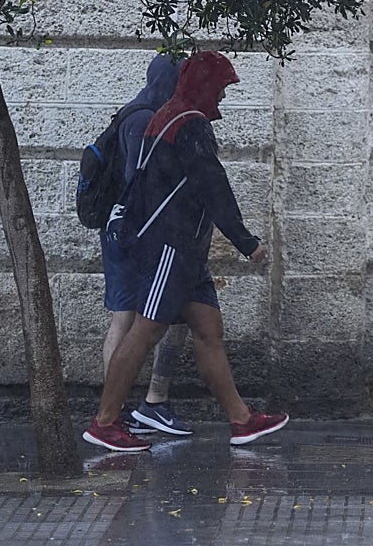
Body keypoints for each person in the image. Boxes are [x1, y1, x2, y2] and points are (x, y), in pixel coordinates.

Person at [83, 51, 289, 452]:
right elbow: (212, 186)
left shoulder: (169, 116)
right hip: (171, 247)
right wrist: (246, 242)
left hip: (183, 250)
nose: (224, 96)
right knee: (146, 331)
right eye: (222, 87)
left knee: (208, 331)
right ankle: (104, 423)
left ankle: (241, 420)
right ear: (204, 86)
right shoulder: (189, 123)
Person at [99, 53, 195, 437]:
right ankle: (119, 412)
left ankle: (143, 406)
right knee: (127, 318)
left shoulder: (144, 113)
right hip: (133, 234)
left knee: (168, 315)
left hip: (133, 230)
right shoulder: (143, 120)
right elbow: (139, 182)